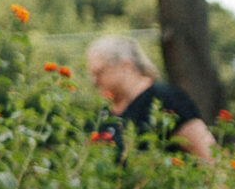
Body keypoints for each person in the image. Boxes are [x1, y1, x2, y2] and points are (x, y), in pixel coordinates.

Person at [84, 35, 214, 162]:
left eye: (99, 73)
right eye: (92, 75)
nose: (94, 82)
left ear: (126, 66)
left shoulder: (167, 99)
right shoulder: (103, 114)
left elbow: (209, 158)